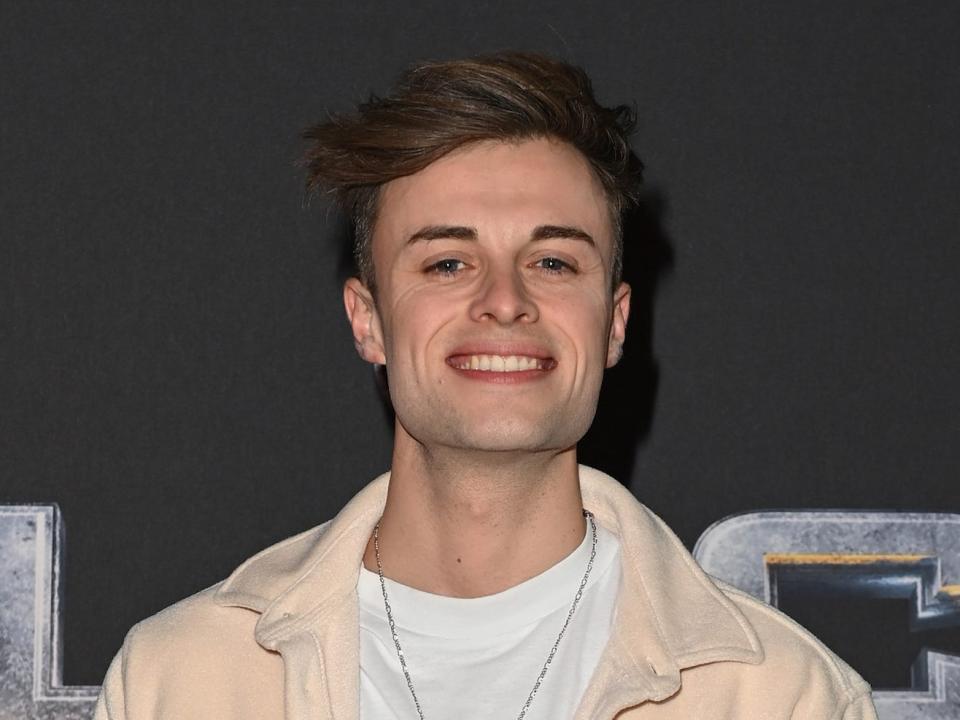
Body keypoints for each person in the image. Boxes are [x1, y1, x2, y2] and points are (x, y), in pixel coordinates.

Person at [94, 52, 878, 719]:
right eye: (447, 262)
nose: (504, 300)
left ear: (613, 323)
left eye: (553, 262)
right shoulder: (182, 681)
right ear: (367, 320)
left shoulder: (779, 696)